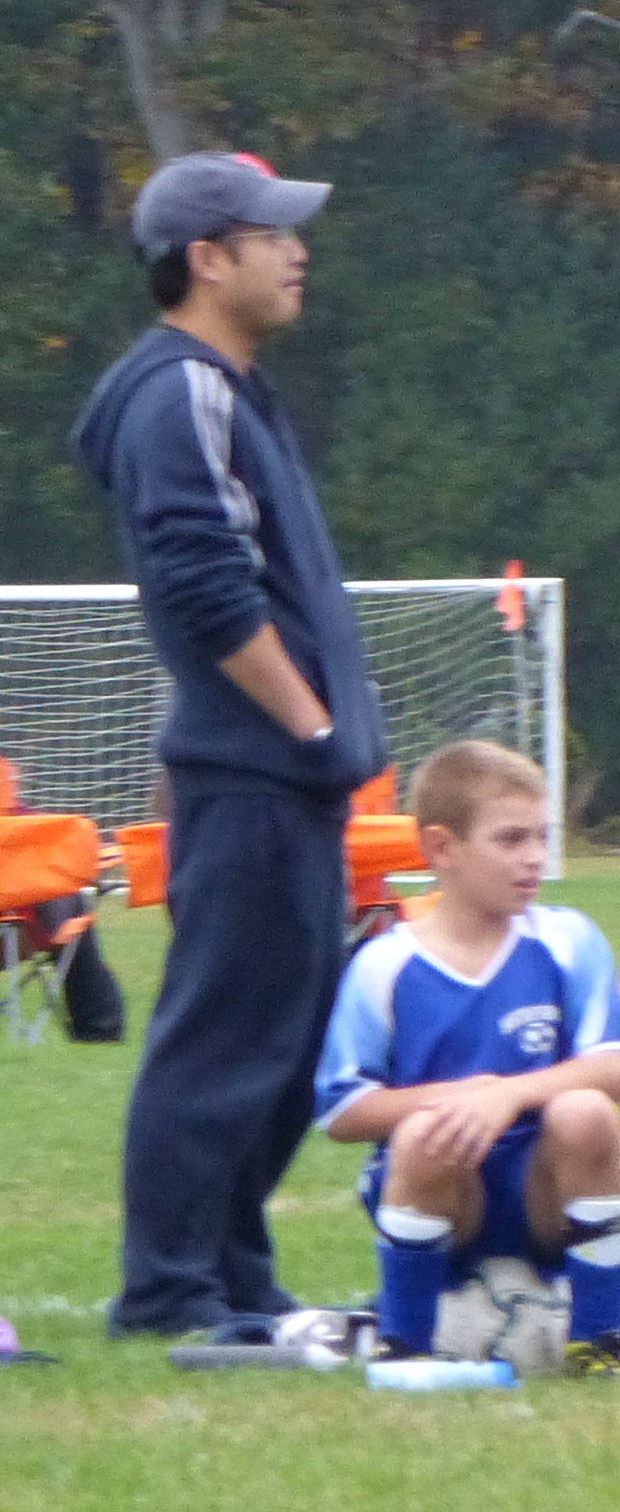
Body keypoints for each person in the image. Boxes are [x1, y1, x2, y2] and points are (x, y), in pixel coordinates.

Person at [71, 150, 388, 1337]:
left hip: (279, 777)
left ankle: (232, 1269)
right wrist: (309, 724)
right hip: (256, 769)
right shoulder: (182, 394)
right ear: (208, 259)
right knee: (224, 1040)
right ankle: (168, 1289)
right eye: (273, 235)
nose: (298, 252)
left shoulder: (233, 388)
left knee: (289, 1039)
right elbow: (206, 585)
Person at [315, 744, 620, 1374]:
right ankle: (405, 1345)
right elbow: (342, 1111)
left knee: (587, 1113)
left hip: (542, 1193)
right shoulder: (385, 964)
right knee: (424, 1132)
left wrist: (506, 1093)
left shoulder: (567, 939)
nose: (535, 857)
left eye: (541, 837)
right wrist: (460, 1101)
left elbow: (613, 1068)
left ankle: (602, 1339)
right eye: (511, 839)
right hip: (444, 1198)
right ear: (442, 848)